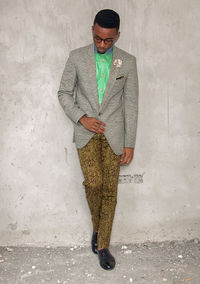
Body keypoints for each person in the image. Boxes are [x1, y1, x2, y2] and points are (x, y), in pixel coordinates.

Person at [57, 9, 139, 270]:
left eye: (108, 40)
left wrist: (130, 143)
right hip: (86, 133)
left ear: (117, 36)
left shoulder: (128, 61)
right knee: (94, 183)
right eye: (98, 38)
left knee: (110, 191)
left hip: (115, 134)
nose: (102, 44)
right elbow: (63, 93)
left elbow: (132, 105)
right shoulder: (76, 57)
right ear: (92, 30)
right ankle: (97, 226)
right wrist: (82, 118)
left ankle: (103, 244)